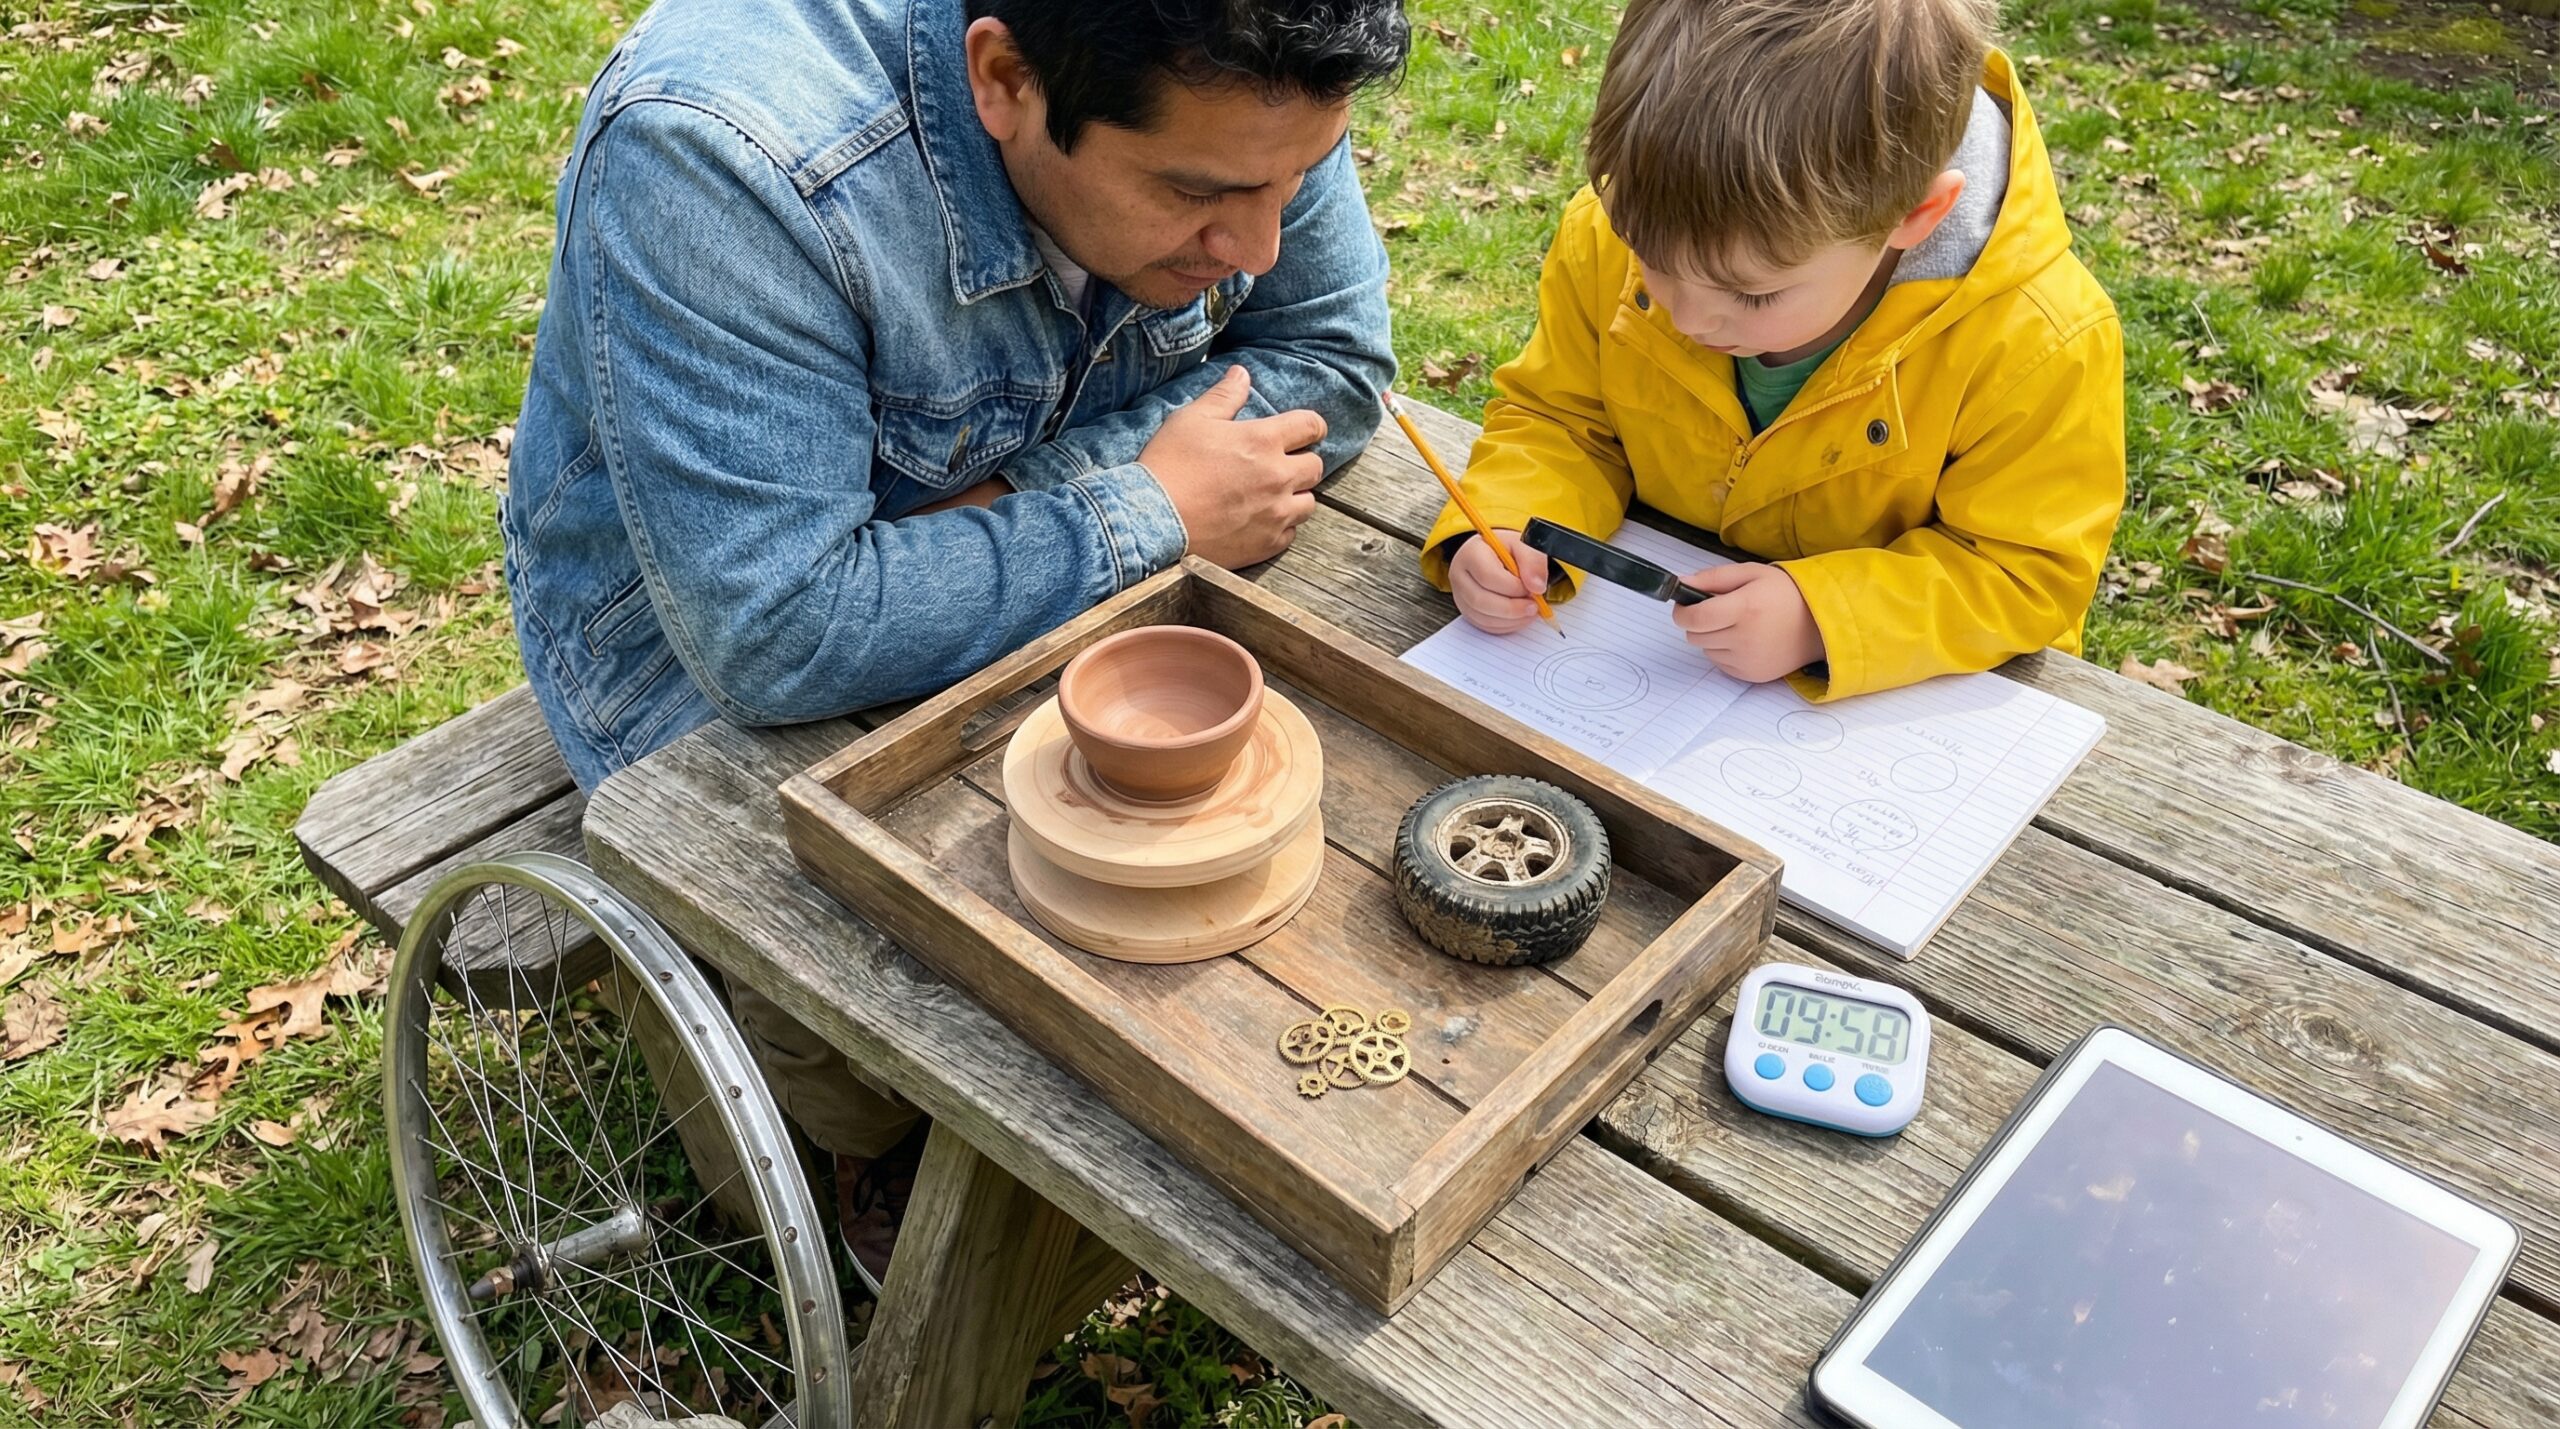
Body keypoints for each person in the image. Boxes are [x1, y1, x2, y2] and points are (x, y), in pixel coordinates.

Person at [501, 0, 1409, 1289]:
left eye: (1297, 184)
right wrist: (1149, 503)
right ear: (1003, 79)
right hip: (689, 657)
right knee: (890, 1038)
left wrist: (1026, 505)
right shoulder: (719, 154)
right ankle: (854, 1144)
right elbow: (774, 633)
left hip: (966, 566)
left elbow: (1329, 355)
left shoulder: (1243, 74)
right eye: (1201, 196)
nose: (1259, 242)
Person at [1425, 0, 2125, 701]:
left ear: (1915, 216)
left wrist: (1824, 618)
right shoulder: (1617, 228)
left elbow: (2022, 571)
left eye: (1753, 295)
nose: (1688, 315)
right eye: (1651, 261)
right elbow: (1559, 419)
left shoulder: (2038, 340)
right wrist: (1505, 522)